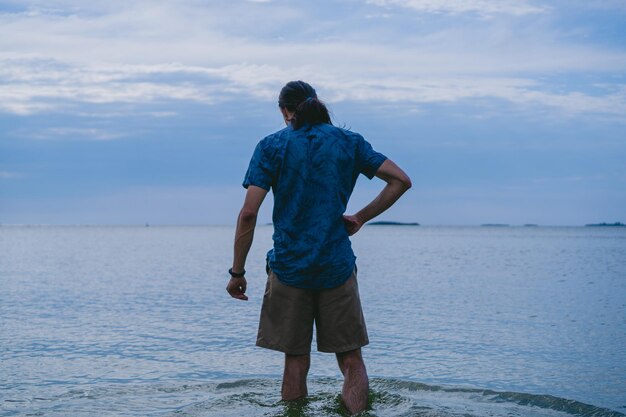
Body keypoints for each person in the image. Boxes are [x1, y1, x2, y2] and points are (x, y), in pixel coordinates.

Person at [226, 80, 411, 415]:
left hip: (288, 266)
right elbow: (400, 180)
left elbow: (249, 213)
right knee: (352, 359)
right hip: (336, 265)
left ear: (285, 111)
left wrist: (237, 272)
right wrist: (360, 217)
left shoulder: (271, 146)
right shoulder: (349, 142)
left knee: (296, 360)